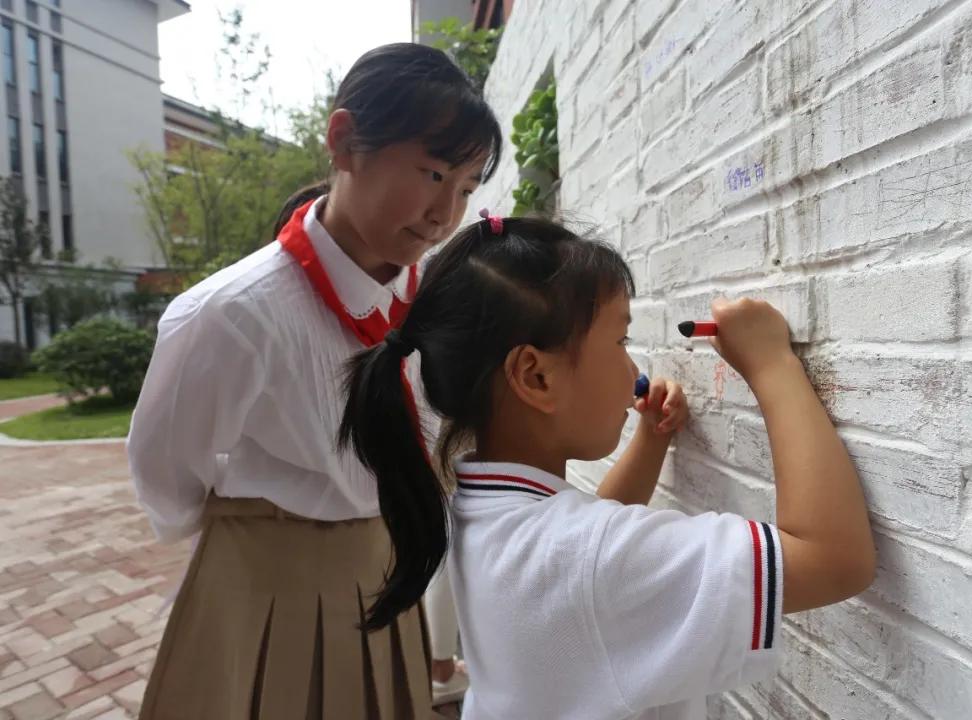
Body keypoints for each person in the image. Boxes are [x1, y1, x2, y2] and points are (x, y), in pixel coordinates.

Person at [338, 215, 877, 719]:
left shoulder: (478, 503)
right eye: (620, 341)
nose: (633, 370)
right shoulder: (582, 558)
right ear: (536, 377)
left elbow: (585, 547)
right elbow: (835, 560)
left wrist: (650, 439)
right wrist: (771, 363)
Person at [127, 43, 499, 719]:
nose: (446, 213)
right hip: (262, 583)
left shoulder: (437, 301)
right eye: (433, 171)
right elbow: (164, 477)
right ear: (344, 141)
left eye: (467, 188)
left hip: (387, 569)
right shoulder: (233, 314)